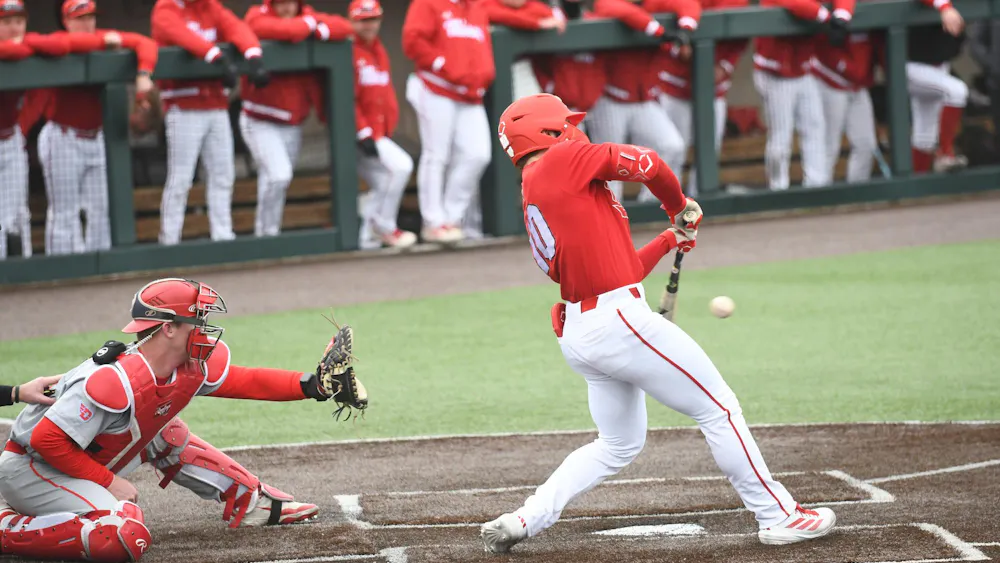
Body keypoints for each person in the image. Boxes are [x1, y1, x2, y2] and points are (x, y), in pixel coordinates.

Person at [479, 93, 837, 553]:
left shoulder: (537, 183)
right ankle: (779, 515)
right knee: (719, 408)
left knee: (618, 443)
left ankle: (526, 517)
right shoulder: (564, 159)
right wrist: (678, 204)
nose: (573, 128)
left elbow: (620, 268)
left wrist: (671, 237)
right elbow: (646, 162)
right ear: (548, 130)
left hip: (584, 332)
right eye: (564, 123)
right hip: (617, 322)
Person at [0, 277, 365, 562]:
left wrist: (313, 385)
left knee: (165, 433)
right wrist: (109, 481)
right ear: (168, 328)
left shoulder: (187, 365)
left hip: (80, 461)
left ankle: (252, 503)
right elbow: (47, 440)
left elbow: (245, 380)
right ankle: (7, 527)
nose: (204, 329)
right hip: (32, 471)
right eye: (197, 319)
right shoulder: (112, 379)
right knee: (123, 535)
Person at [22, 0, 158, 256]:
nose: (87, 23)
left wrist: (143, 74)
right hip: (63, 137)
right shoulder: (61, 40)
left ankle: (100, 267)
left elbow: (146, 43)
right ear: (67, 21)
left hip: (97, 139)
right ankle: (61, 269)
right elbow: (44, 43)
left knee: (102, 209)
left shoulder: (103, 38)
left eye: (91, 17)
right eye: (80, 18)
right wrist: (102, 43)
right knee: (65, 211)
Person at [152, 0, 271, 246]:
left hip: (216, 106)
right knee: (181, 179)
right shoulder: (166, 9)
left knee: (223, 175)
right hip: (183, 106)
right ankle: (170, 241)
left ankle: (223, 236)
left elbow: (236, 28)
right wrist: (216, 57)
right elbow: (182, 36)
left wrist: (253, 55)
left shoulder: (211, 7)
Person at [242, 0, 352, 238]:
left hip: (292, 123)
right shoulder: (256, 15)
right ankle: (266, 235)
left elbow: (344, 27)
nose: (286, 8)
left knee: (274, 181)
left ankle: (267, 236)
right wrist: (310, 26)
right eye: (280, 3)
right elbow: (284, 30)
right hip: (259, 119)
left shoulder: (307, 14)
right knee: (279, 174)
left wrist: (314, 27)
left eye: (290, 2)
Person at [583, 0, 699, 202]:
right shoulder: (607, 5)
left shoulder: (654, 4)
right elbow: (613, 8)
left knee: (672, 146)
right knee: (610, 165)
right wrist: (659, 31)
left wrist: (686, 28)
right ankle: (610, 218)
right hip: (611, 98)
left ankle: (652, 207)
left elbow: (687, 4)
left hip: (644, 99)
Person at [402, 0, 494, 244]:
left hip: (470, 93)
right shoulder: (428, 4)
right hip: (436, 87)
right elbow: (412, 40)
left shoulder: (476, 6)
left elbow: (512, 10)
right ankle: (433, 222)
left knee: (478, 154)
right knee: (436, 155)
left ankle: (452, 217)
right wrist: (442, 63)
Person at [754, 0, 854, 190]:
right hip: (775, 70)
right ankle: (778, 191)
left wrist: (842, 14)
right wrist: (826, 17)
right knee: (781, 136)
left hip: (803, 67)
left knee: (815, 126)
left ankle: (817, 187)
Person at [653, 0, 748, 195]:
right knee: (674, 149)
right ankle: (666, 203)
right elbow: (655, 23)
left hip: (713, 89)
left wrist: (725, 66)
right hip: (676, 86)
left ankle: (699, 202)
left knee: (710, 150)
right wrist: (677, 47)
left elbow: (743, 34)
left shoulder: (738, 2)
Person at [0, 0, 71, 260]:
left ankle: (25, 270)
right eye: (6, 22)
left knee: (18, 214)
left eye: (18, 22)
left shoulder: (28, 46)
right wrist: (19, 47)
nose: (13, 27)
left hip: (9, 139)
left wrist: (21, 127)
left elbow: (62, 46)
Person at [350, 0, 420, 250]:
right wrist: (362, 130)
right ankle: (385, 226)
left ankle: (366, 239)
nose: (369, 25)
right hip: (356, 134)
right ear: (353, 21)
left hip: (378, 131)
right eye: (363, 20)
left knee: (383, 183)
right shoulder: (350, 50)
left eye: (373, 19)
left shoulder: (378, 50)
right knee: (401, 166)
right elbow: (347, 97)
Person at [812, 19, 879, 182]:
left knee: (866, 144)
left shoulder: (867, 10)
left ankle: (858, 196)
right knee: (829, 145)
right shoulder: (832, 11)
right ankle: (820, 195)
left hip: (857, 87)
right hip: (830, 82)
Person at [907, 0, 968, 173]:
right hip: (910, 64)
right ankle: (945, 152)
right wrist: (945, 7)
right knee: (957, 91)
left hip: (939, 64)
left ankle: (917, 187)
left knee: (925, 136)